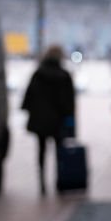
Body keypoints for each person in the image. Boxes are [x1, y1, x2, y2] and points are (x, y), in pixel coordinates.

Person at [21, 45, 76, 196]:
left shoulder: (38, 74)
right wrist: (71, 122)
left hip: (40, 120)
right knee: (60, 152)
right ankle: (60, 181)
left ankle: (42, 183)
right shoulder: (64, 75)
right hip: (58, 121)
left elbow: (28, 97)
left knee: (41, 151)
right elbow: (70, 103)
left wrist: (29, 111)